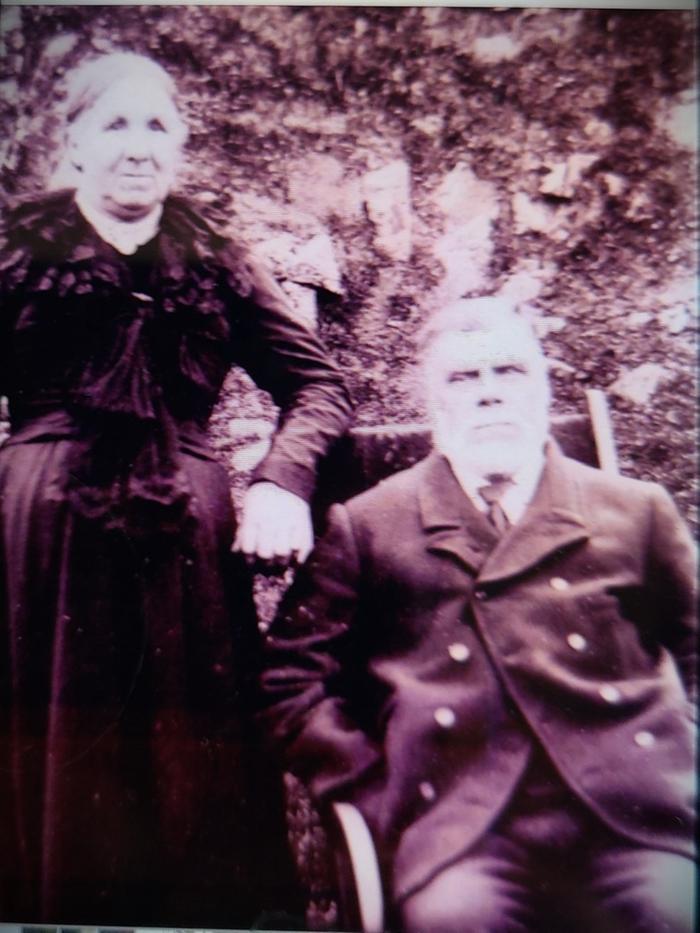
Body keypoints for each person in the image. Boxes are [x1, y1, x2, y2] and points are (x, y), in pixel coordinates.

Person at [0, 52, 351, 926]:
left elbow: (320, 386)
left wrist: (283, 479)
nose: (135, 145)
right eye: (114, 124)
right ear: (74, 141)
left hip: (181, 545)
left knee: (186, 759)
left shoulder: (217, 256)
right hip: (43, 540)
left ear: (181, 146)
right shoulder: (17, 249)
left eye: (155, 126)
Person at [261, 297, 697, 932]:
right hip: (459, 829)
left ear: (543, 390)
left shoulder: (634, 510)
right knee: (456, 922)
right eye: (464, 379)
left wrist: (679, 752)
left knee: (669, 912)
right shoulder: (371, 525)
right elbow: (287, 682)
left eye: (510, 372)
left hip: (629, 815)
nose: (490, 395)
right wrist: (377, 787)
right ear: (434, 405)